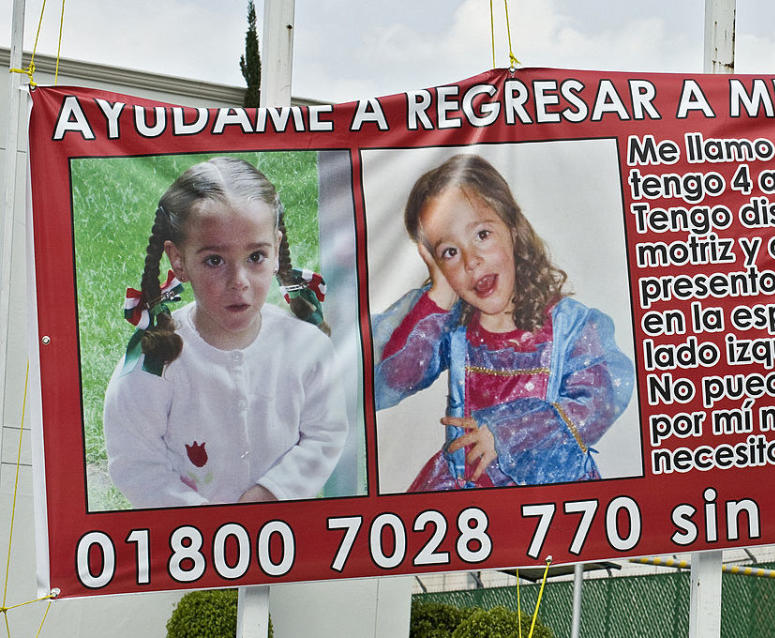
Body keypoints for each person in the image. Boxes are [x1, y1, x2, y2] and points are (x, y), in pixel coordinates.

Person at [374, 154, 635, 491]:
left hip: (551, 497)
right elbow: (394, 378)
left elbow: (599, 400)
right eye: (449, 252)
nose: (471, 261)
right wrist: (439, 294)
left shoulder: (571, 327)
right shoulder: (452, 328)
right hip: (465, 494)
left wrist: (507, 433)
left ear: (512, 228)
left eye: (482, 234)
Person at [103, 157, 347, 508]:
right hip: (187, 546)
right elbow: (135, 462)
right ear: (179, 261)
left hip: (281, 539)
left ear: (276, 251)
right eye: (215, 260)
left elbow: (325, 434)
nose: (239, 282)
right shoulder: (154, 360)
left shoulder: (305, 347)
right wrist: (209, 525)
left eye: (256, 257)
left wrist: (269, 494)